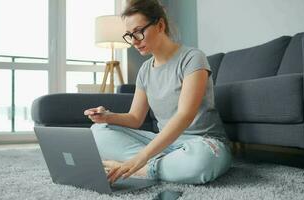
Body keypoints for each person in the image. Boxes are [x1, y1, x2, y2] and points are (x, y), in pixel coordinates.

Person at [84, 0, 232, 184]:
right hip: (164, 144)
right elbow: (135, 118)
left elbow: (185, 115)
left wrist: (142, 157)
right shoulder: (145, 70)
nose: (134, 41)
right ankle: (164, 165)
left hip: (202, 143)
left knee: (202, 162)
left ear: (160, 25)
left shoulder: (193, 58)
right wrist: (108, 116)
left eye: (139, 32)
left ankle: (143, 169)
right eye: (130, 35)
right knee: (98, 131)